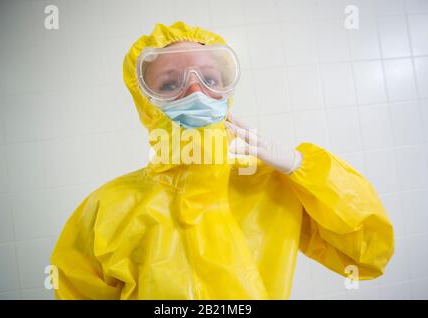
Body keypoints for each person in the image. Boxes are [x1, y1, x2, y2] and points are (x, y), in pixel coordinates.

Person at [50, 21, 394, 300]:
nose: (196, 92)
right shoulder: (108, 209)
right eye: (171, 83)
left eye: (210, 79)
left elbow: (368, 255)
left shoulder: (272, 187)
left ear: (226, 90)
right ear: (146, 103)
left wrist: (299, 166)